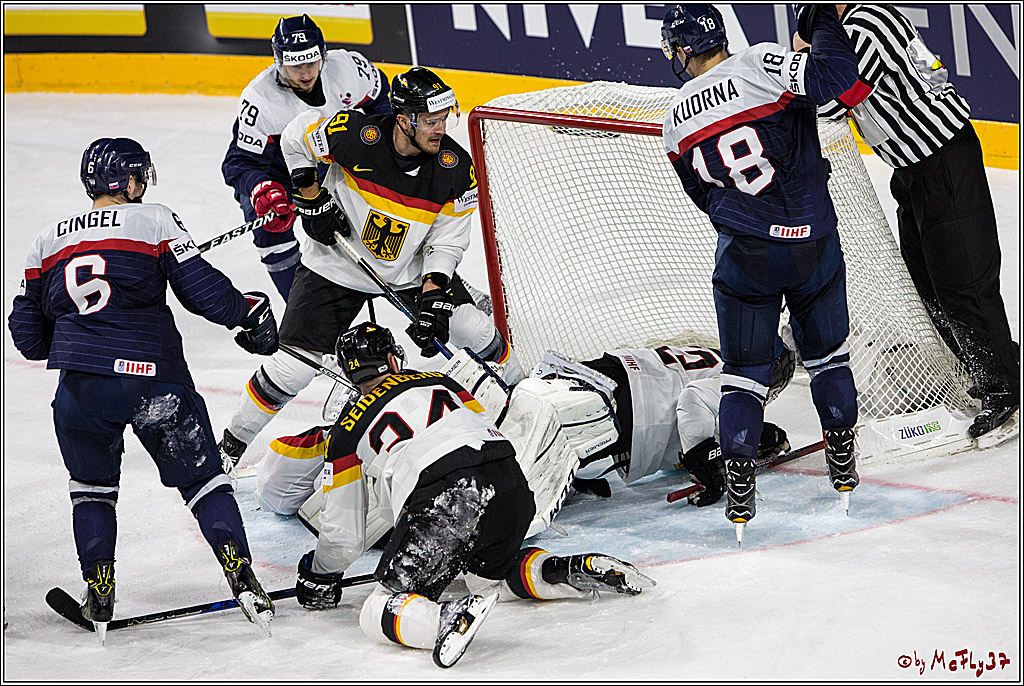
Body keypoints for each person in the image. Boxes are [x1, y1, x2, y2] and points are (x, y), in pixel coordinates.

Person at [8, 137, 280, 637]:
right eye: (140, 176)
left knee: (91, 490)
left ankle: (100, 591)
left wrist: (82, 338)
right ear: (128, 181)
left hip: (80, 392)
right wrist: (249, 312)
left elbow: (27, 338)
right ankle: (242, 577)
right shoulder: (154, 219)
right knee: (203, 481)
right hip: (153, 381)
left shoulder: (47, 241)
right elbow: (199, 290)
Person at [293, 323, 653, 668]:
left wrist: (319, 575)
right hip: (512, 484)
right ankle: (561, 570)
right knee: (485, 579)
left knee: (379, 610)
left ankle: (444, 617)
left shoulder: (345, 432)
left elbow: (344, 535)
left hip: (448, 496)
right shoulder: (443, 380)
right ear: (391, 360)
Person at [218, 66, 523, 470]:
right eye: (431, 121)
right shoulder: (354, 135)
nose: (440, 128)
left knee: (473, 327)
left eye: (443, 118)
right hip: (335, 264)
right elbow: (295, 136)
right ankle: (229, 447)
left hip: (409, 270)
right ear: (403, 119)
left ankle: (526, 402)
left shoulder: (455, 168)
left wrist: (433, 295)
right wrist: (311, 197)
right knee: (291, 368)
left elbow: (447, 241)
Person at [659, 4, 862, 543]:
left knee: (743, 376)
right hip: (812, 242)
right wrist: (820, 19)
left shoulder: (673, 118)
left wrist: (745, 222)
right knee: (828, 359)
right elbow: (837, 78)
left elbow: (703, 195)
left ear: (682, 50)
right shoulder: (762, 62)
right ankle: (842, 463)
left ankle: (741, 487)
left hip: (745, 252)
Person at [794, 4, 1019, 442]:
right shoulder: (851, 23)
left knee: (963, 283)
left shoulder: (864, 25)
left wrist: (805, 55)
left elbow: (831, 99)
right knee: (929, 285)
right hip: (911, 170)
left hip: (943, 163)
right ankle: (988, 365)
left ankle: (1003, 386)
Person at [221, 14, 392, 299]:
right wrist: (261, 190)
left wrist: (384, 149)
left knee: (389, 217)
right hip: (281, 179)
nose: (305, 73)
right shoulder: (260, 99)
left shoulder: (349, 68)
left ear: (323, 55)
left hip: (336, 164)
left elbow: (381, 99)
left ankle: (439, 284)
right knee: (269, 234)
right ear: (278, 61)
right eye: (295, 65)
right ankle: (303, 317)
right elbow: (239, 163)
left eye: (311, 62)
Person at [532, 342, 796, 506]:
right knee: (530, 453)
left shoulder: (722, 359)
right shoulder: (743, 381)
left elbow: (698, 416)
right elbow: (694, 400)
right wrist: (706, 463)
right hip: (636, 405)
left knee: (529, 420)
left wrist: (735, 444)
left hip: (618, 375)